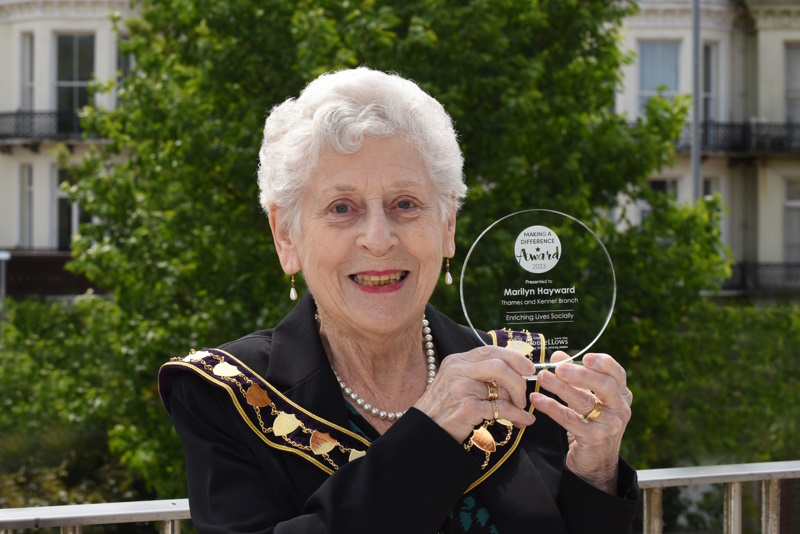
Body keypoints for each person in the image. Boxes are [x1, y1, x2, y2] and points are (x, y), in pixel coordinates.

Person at [158, 67, 638, 534]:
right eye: (342, 208)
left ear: (447, 225)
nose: (379, 238)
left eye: (405, 204)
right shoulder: (226, 394)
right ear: (287, 236)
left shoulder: (521, 373)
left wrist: (596, 474)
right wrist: (429, 436)